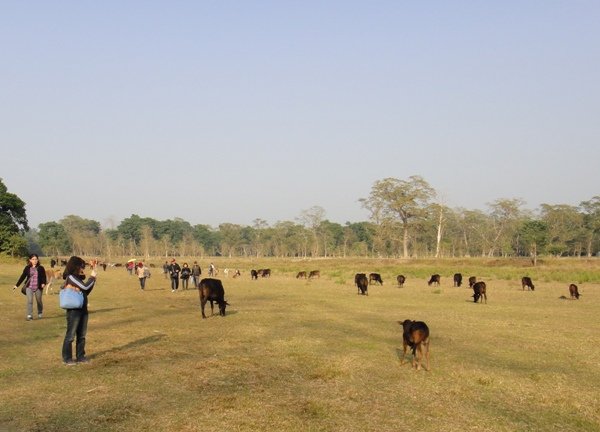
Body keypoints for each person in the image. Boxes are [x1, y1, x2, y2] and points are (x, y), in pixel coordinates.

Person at [61, 256, 97, 365]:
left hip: (83, 308)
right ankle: (67, 358)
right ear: (76, 266)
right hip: (74, 310)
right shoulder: (71, 277)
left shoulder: (77, 278)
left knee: (82, 335)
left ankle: (80, 356)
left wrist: (93, 280)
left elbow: (86, 291)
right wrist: (92, 277)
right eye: (81, 267)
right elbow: (85, 287)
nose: (83, 269)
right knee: (71, 335)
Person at [13, 254, 47, 321]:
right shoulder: (27, 268)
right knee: (30, 300)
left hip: (38, 287)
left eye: (36, 259)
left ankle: (40, 312)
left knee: (39, 300)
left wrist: (43, 283)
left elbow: (44, 277)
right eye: (33, 259)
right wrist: (17, 285)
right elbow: (22, 277)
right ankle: (29, 315)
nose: (35, 261)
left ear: (38, 260)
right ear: (30, 260)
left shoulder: (41, 268)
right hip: (29, 287)